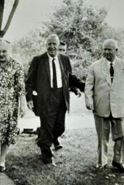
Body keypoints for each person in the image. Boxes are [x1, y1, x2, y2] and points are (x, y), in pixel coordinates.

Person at [26, 34, 84, 166]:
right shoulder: (38, 60)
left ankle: (42, 137)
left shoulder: (65, 59)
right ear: (46, 45)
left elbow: (69, 77)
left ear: (58, 45)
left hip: (61, 97)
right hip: (45, 99)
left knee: (60, 127)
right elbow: (29, 81)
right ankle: (46, 154)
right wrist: (29, 98)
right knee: (47, 126)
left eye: (54, 44)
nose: (52, 46)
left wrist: (84, 86)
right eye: (49, 44)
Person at [84, 39, 124, 173]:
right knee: (102, 136)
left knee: (123, 135)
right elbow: (88, 86)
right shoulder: (95, 66)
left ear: (116, 50)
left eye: (109, 49)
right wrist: (89, 101)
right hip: (101, 106)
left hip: (120, 107)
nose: (106, 52)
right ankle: (102, 161)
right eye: (105, 49)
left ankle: (118, 161)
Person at [0, 39, 26, 173]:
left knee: (7, 132)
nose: (1, 54)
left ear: (9, 50)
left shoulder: (17, 65)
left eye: (4, 51)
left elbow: (21, 87)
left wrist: (22, 104)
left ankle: (2, 160)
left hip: (10, 104)